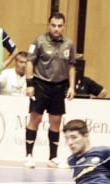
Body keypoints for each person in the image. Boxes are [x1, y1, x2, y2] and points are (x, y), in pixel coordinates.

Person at [24, 12, 76, 168]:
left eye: (60, 26)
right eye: (53, 25)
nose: (56, 28)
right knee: (35, 119)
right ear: (49, 25)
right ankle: (29, 155)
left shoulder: (69, 44)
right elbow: (29, 62)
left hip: (59, 86)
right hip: (40, 85)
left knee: (56, 122)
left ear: (63, 26)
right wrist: (29, 84)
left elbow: (71, 66)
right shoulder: (38, 42)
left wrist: (72, 86)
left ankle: (53, 157)